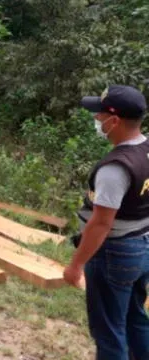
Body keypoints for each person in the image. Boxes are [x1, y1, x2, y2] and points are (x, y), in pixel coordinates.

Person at [63, 85, 149, 360]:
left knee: (109, 332)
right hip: (142, 246)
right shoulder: (145, 150)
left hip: (115, 253)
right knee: (136, 319)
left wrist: (76, 265)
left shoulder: (115, 168)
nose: (97, 120)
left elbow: (101, 224)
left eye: (99, 116)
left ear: (114, 120)